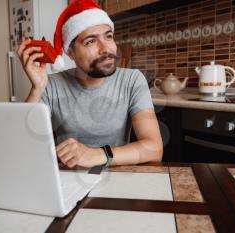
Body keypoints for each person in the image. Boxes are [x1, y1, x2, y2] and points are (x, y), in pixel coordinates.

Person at [17, 0, 163, 168]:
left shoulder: (132, 80)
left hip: (117, 176)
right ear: (70, 53)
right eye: (91, 41)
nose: (105, 48)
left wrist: (97, 155)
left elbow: (154, 149)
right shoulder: (51, 85)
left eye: (108, 36)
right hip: (68, 180)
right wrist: (36, 89)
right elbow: (20, 146)